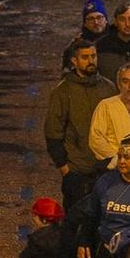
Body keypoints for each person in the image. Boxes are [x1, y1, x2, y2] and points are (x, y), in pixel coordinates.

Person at [45, 39, 116, 209]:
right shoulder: (63, 91)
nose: (91, 61)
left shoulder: (108, 88)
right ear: (74, 61)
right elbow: (53, 133)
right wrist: (64, 168)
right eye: (85, 57)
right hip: (78, 172)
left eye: (93, 56)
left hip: (107, 168)